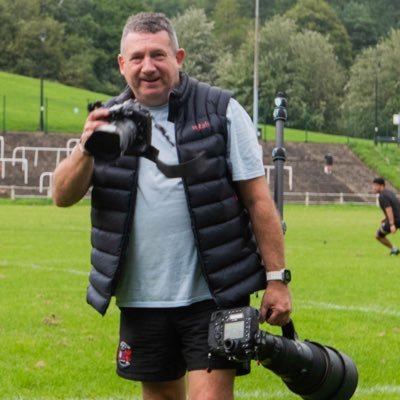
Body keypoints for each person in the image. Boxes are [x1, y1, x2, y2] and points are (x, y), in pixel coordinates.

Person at [52, 12, 292, 400]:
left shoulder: (220, 111)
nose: (148, 67)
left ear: (178, 57)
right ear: (121, 64)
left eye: (158, 55)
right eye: (137, 57)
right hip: (142, 298)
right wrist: (85, 148)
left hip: (213, 295)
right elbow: (62, 195)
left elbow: (258, 200)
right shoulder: (108, 122)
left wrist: (277, 280)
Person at [372, 177, 400, 255]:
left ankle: (394, 249)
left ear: (382, 186)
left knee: (378, 235)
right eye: (373, 185)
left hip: (396, 220)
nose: (373, 187)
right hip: (397, 218)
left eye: (375, 185)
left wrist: (392, 224)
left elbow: (389, 209)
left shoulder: (382, 196)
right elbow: (397, 205)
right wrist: (386, 218)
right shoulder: (390, 192)